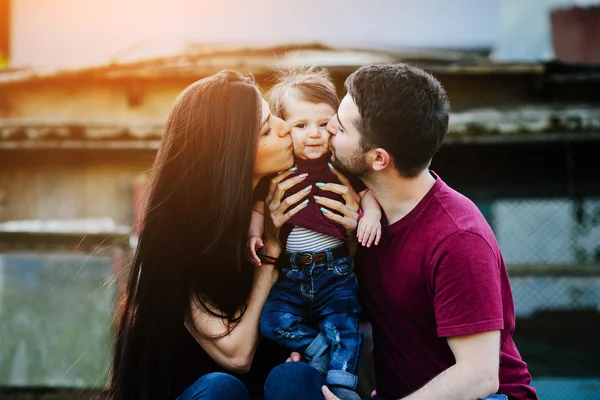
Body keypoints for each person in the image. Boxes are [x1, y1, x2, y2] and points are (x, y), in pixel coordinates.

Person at [107, 70, 359, 400]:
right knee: (221, 388)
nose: (287, 128)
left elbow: (333, 291)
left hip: (268, 389)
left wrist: (351, 232)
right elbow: (237, 355)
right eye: (268, 130)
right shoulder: (186, 239)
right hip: (207, 392)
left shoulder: (289, 200)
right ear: (233, 155)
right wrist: (270, 252)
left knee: (296, 377)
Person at [318, 63, 538, 400]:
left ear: (379, 159)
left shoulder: (457, 238)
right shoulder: (361, 211)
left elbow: (479, 375)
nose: (329, 126)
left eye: (343, 127)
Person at [247, 68, 382, 400]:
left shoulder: (341, 165)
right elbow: (259, 207)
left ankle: (342, 387)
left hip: (335, 271)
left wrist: (372, 217)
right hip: (291, 274)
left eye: (324, 124)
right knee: (272, 321)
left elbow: (367, 195)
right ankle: (315, 347)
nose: (314, 135)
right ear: (282, 128)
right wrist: (253, 235)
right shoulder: (278, 171)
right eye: (301, 126)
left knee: (346, 329)